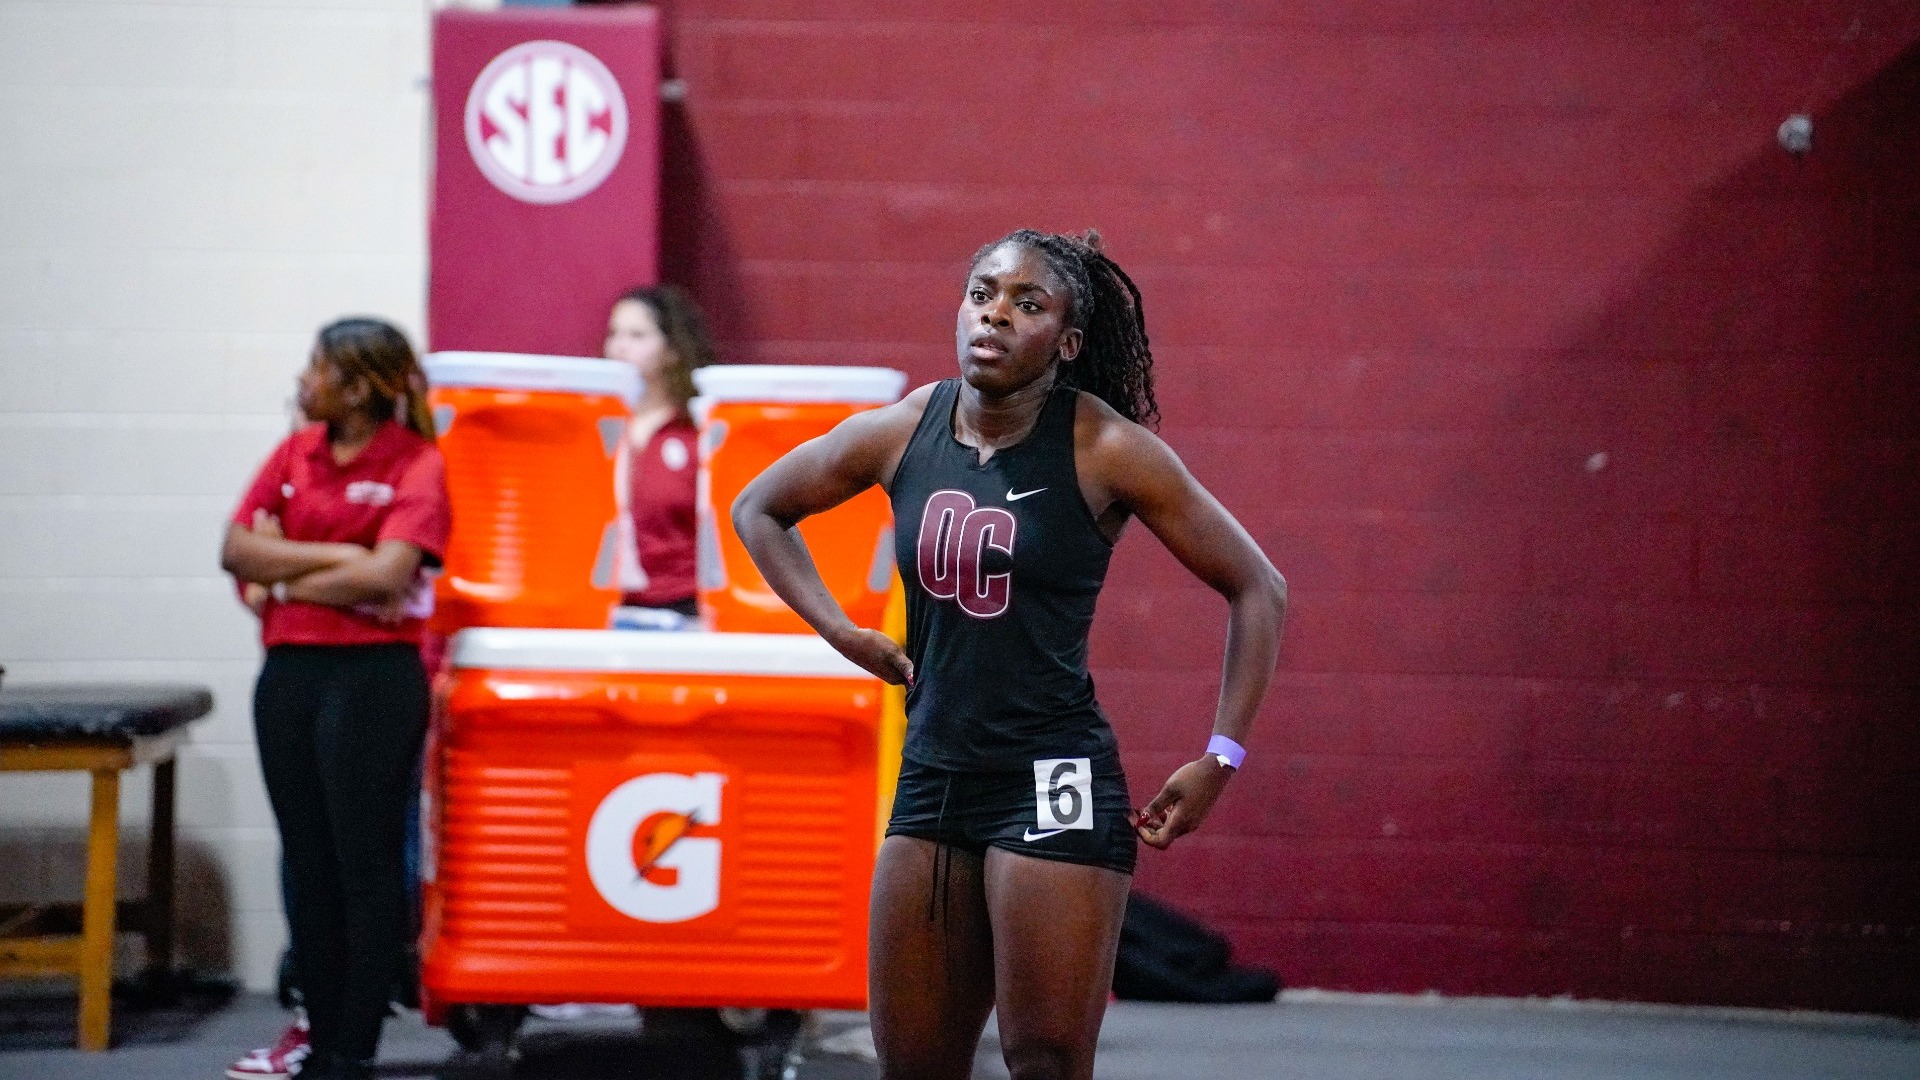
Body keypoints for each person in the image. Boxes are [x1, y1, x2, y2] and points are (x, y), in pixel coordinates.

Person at [731, 229, 1287, 1079]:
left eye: (1027, 304)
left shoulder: (1105, 449)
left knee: (1043, 1062)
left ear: (1065, 344)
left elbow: (1258, 588)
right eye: (983, 292)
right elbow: (760, 507)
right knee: (915, 1064)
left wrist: (1222, 754)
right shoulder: (908, 425)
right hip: (935, 776)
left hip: (1053, 773)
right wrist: (840, 631)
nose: (994, 314)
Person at [220, 318, 452, 1080]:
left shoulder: (418, 463)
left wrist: (283, 574)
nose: (303, 382)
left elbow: (390, 577)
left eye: (317, 370)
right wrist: (342, 558)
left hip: (374, 681)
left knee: (364, 860)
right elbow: (234, 548)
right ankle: (318, 1032)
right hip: (290, 675)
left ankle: (354, 1046)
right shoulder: (295, 454)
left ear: (358, 388)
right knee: (308, 859)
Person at [604, 284, 716, 629]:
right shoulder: (597, 430)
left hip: (681, 609)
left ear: (673, 350)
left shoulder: (699, 432)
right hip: (604, 608)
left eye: (637, 335)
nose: (620, 347)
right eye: (614, 334)